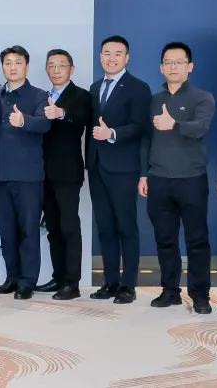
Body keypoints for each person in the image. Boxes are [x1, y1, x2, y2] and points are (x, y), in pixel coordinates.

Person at [138, 42, 215, 314]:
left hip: (191, 179)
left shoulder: (202, 97)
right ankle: (170, 291)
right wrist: (143, 174)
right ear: (161, 67)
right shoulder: (154, 100)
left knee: (197, 240)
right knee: (164, 239)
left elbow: (201, 128)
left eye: (178, 62)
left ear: (189, 66)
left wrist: (174, 124)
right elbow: (146, 140)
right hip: (159, 179)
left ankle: (200, 295)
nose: (173, 67)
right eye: (168, 62)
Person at [86, 35, 151, 304]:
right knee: (105, 227)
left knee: (126, 227)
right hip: (96, 165)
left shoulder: (138, 87)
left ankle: (128, 285)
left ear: (126, 58)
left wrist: (112, 133)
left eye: (117, 53)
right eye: (107, 53)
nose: (111, 58)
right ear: (100, 56)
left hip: (124, 167)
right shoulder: (95, 87)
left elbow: (141, 127)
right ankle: (110, 281)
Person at [0, 46, 50, 299]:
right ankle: (12, 278)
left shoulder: (39, 95)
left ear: (26, 66)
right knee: (7, 231)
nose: (12, 67)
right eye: (7, 63)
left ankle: (27, 281)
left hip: (28, 177)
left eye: (17, 62)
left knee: (28, 231)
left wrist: (24, 120)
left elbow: (45, 124)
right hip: (0, 176)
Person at [37, 49, 91, 300]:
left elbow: (83, 119)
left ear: (72, 69)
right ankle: (58, 277)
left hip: (68, 172)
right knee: (53, 228)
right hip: (43, 172)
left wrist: (62, 114)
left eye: (61, 65)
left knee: (69, 226)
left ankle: (72, 283)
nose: (56, 70)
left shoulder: (81, 95)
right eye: (51, 65)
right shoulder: (42, 96)